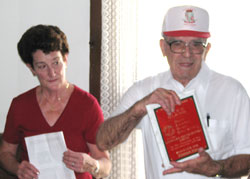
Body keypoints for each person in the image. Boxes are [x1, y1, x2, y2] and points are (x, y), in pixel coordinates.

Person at [96, 5, 250, 179]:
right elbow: (103, 141)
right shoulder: (143, 90)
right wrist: (138, 109)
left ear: (206, 49)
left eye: (196, 44)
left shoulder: (232, 91)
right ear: (163, 47)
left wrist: (215, 167)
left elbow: (247, 159)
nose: (187, 53)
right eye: (177, 44)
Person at [0, 25, 111, 179]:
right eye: (42, 66)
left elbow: (106, 165)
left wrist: (92, 164)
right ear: (31, 68)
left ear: (65, 59)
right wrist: (17, 168)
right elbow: (6, 153)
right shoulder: (20, 105)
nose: (51, 73)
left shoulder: (87, 105)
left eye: (56, 63)